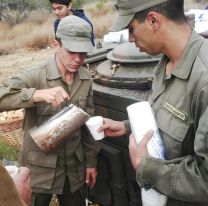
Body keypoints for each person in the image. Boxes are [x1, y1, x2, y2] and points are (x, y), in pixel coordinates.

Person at [99, 0, 208, 205]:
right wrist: (126, 126)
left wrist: (146, 167)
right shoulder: (165, 62)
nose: (130, 39)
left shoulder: (204, 80)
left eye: (131, 29)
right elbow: (169, 116)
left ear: (153, 20)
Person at [0, 15, 100, 206]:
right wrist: (36, 95)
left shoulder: (85, 78)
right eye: (72, 52)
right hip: (39, 171)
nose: (78, 59)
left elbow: (87, 125)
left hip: (73, 171)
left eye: (84, 53)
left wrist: (91, 162)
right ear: (56, 44)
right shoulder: (35, 75)